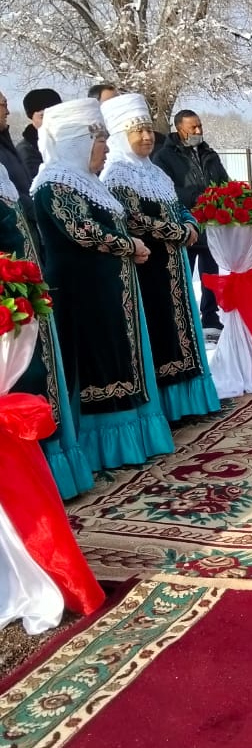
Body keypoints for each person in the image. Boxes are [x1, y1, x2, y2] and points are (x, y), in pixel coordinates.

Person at [30, 97, 175, 474]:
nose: (107, 148)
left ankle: (134, 438)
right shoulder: (54, 184)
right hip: (84, 295)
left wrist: (129, 247)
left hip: (112, 290)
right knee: (102, 365)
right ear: (77, 143)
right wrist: (130, 245)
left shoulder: (87, 182)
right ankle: (105, 448)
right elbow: (81, 230)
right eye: (100, 141)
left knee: (121, 359)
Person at [101, 93, 220, 424]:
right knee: (159, 333)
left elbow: (178, 204)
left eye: (148, 129)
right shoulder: (116, 175)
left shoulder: (154, 171)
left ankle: (188, 403)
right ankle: (167, 408)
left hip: (174, 266)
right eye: (137, 131)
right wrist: (179, 232)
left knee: (181, 331)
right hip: (147, 269)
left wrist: (190, 222)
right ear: (120, 135)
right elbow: (133, 220)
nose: (146, 136)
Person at [0, 159, 94, 499]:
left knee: (37, 377)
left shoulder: (4, 166)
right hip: (10, 295)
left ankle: (43, 473)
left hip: (22, 292)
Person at [152, 109, 230, 333]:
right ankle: (183, 318)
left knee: (211, 274)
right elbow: (166, 189)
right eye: (192, 127)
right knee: (183, 276)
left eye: (199, 126)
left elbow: (223, 181)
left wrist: (224, 197)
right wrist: (198, 196)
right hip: (185, 226)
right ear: (179, 129)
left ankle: (210, 316)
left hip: (211, 224)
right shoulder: (164, 157)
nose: (198, 131)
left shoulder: (209, 153)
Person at [0, 88, 37, 229]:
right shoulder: (24, 149)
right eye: (4, 105)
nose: (8, 112)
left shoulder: (5, 143)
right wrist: (38, 211)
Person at [17, 88, 62, 183]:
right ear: (31, 117)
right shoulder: (26, 150)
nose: (49, 121)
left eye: (55, 115)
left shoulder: (65, 141)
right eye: (42, 116)